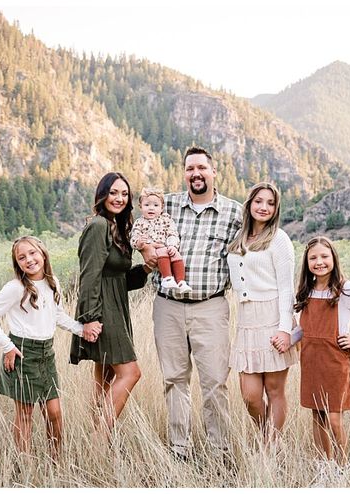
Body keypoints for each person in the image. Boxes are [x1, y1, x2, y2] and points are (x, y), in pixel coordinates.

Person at [151, 147, 243, 460]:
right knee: (174, 380)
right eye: (190, 169)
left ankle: (220, 452)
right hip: (168, 306)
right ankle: (180, 449)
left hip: (211, 306)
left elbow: (259, 243)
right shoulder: (168, 206)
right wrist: (144, 250)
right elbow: (140, 228)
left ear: (213, 172)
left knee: (215, 382)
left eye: (202, 168)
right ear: (184, 173)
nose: (196, 174)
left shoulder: (234, 213)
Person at [0, 235, 103, 462]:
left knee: (54, 413)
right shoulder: (15, 288)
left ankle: (56, 462)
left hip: (47, 354)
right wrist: (7, 346)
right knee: (25, 415)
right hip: (23, 353)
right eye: (21, 257)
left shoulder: (52, 281)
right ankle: (26, 466)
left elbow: (57, 315)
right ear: (18, 264)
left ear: (43, 253)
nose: (29, 260)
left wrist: (81, 329)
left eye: (32, 253)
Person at [283, 236, 350, 467]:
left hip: (334, 362)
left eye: (324, 256)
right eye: (313, 258)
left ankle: (341, 468)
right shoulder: (306, 290)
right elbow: (304, 328)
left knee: (333, 418)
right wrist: (289, 339)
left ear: (333, 259)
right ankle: (324, 466)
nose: (319, 262)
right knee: (317, 415)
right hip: (310, 360)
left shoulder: (345, 289)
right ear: (306, 262)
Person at [69, 171, 154, 435]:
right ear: (102, 194)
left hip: (116, 306)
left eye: (124, 194)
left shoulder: (118, 227)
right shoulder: (98, 226)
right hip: (102, 310)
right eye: (113, 192)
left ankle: (97, 450)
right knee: (131, 373)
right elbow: (90, 275)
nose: (119, 198)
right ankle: (99, 439)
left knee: (104, 380)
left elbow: (117, 278)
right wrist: (90, 318)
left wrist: (146, 269)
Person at [227, 182, 297, 446]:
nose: (264, 207)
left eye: (270, 203)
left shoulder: (279, 239)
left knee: (275, 391)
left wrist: (284, 329)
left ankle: (270, 448)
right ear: (249, 204)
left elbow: (286, 288)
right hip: (246, 321)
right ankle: (267, 435)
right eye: (259, 201)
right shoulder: (239, 238)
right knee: (250, 396)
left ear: (276, 208)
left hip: (273, 317)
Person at [130, 186, 191, 294]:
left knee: (176, 255)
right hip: (154, 250)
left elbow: (172, 233)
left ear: (162, 207)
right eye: (147, 205)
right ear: (140, 207)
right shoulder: (140, 222)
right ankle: (167, 278)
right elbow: (134, 237)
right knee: (162, 251)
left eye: (156, 205)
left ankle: (181, 282)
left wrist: (172, 246)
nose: (151, 208)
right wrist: (140, 243)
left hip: (166, 247)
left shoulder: (166, 219)